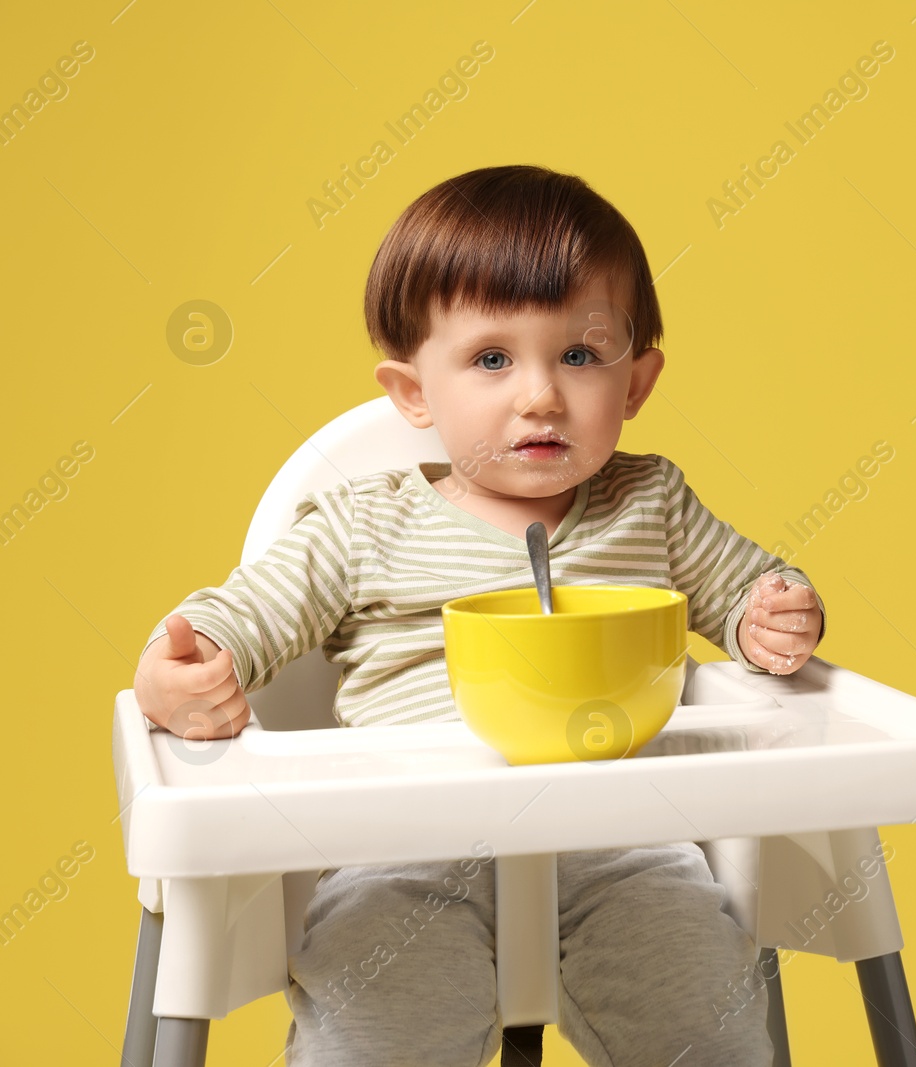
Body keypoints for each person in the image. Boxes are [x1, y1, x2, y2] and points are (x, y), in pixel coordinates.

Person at [132, 163, 826, 1067]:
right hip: (403, 855)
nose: (538, 394)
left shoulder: (649, 504)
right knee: (378, 1037)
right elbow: (237, 618)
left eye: (579, 355)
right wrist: (179, 668)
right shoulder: (361, 522)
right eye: (492, 359)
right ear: (414, 390)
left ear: (638, 380)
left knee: (709, 1021)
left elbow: (746, 591)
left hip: (622, 848)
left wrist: (772, 616)